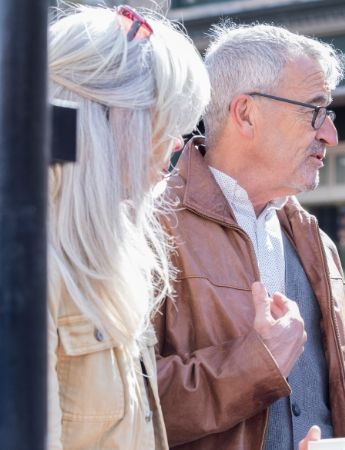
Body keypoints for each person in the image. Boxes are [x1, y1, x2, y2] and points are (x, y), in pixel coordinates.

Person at [153, 23, 345, 450]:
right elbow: (125, 401)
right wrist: (256, 363)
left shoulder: (316, 242)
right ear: (246, 113)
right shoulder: (152, 226)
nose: (330, 134)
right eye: (315, 111)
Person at [47, 5, 210, 450]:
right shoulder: (24, 264)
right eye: (163, 121)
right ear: (107, 120)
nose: (177, 144)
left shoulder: (100, 252)